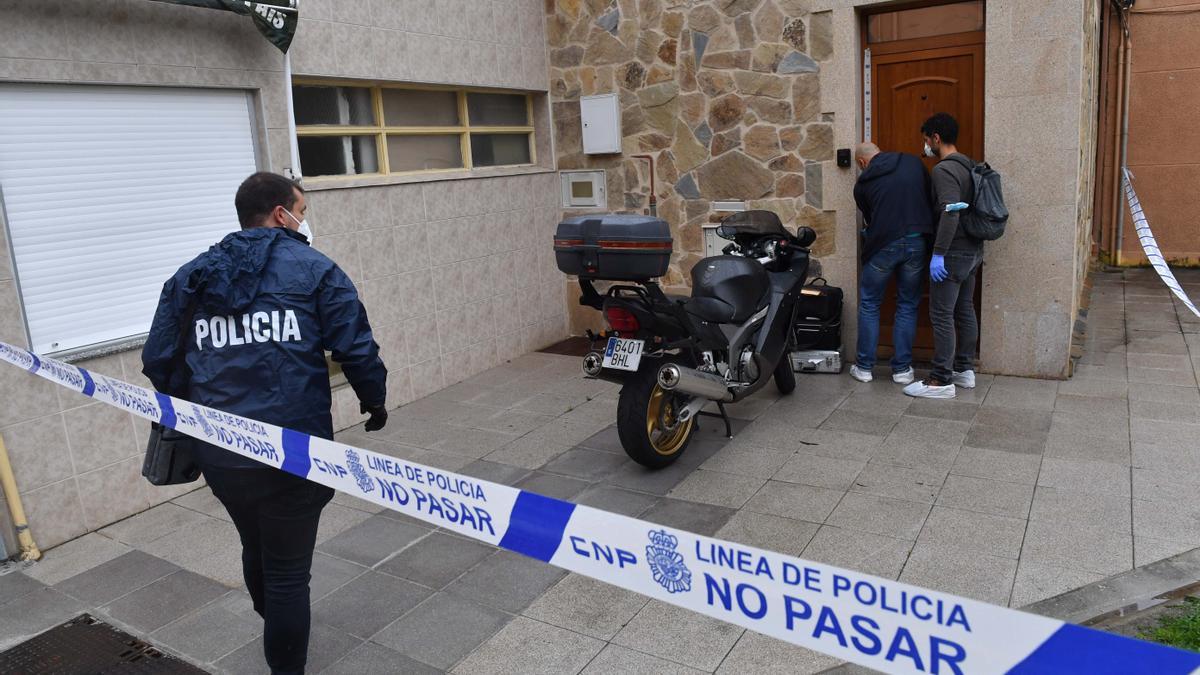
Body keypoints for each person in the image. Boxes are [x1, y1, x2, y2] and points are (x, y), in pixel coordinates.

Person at [142, 172, 389, 674]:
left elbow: (159, 359)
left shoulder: (191, 276)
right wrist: (375, 401)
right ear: (282, 213)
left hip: (223, 454)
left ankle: (275, 618)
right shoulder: (314, 269)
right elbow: (356, 347)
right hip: (294, 453)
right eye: (302, 208)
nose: (305, 219)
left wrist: (191, 404)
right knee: (288, 575)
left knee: (255, 546)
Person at [903, 113, 981, 399]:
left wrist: (938, 254)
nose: (925, 146)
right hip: (972, 251)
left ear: (936, 138)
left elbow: (950, 212)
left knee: (941, 314)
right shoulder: (969, 165)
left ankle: (941, 380)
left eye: (926, 140)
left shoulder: (944, 170)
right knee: (964, 309)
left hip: (952, 251)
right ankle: (964, 370)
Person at [849, 142, 934, 385]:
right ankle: (902, 370)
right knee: (907, 304)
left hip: (883, 246)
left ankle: (864, 368)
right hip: (917, 241)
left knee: (870, 304)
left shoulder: (862, 185)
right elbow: (929, 195)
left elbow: (870, 218)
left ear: (863, 163)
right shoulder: (912, 163)